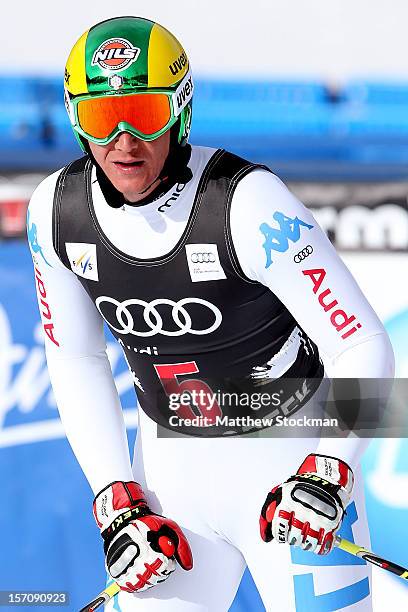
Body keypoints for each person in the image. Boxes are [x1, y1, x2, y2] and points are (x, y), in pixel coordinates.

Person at [27, 16, 394, 612]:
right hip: (170, 486)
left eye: (143, 114)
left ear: (180, 111)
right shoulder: (56, 211)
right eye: (101, 116)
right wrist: (114, 496)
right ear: (76, 120)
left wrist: (331, 470)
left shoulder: (246, 201)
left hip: (291, 474)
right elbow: (74, 355)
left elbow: (366, 344)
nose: (124, 140)